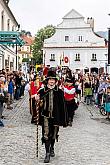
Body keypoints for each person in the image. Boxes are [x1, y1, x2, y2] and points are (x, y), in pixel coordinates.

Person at [37, 69, 68, 163]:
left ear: (55, 81)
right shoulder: (42, 91)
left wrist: (65, 119)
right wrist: (37, 100)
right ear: (47, 81)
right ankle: (47, 153)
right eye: (50, 79)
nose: (51, 81)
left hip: (56, 116)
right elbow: (37, 106)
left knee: (54, 134)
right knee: (46, 134)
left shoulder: (59, 92)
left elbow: (63, 106)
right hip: (45, 116)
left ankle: (52, 147)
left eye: (53, 79)